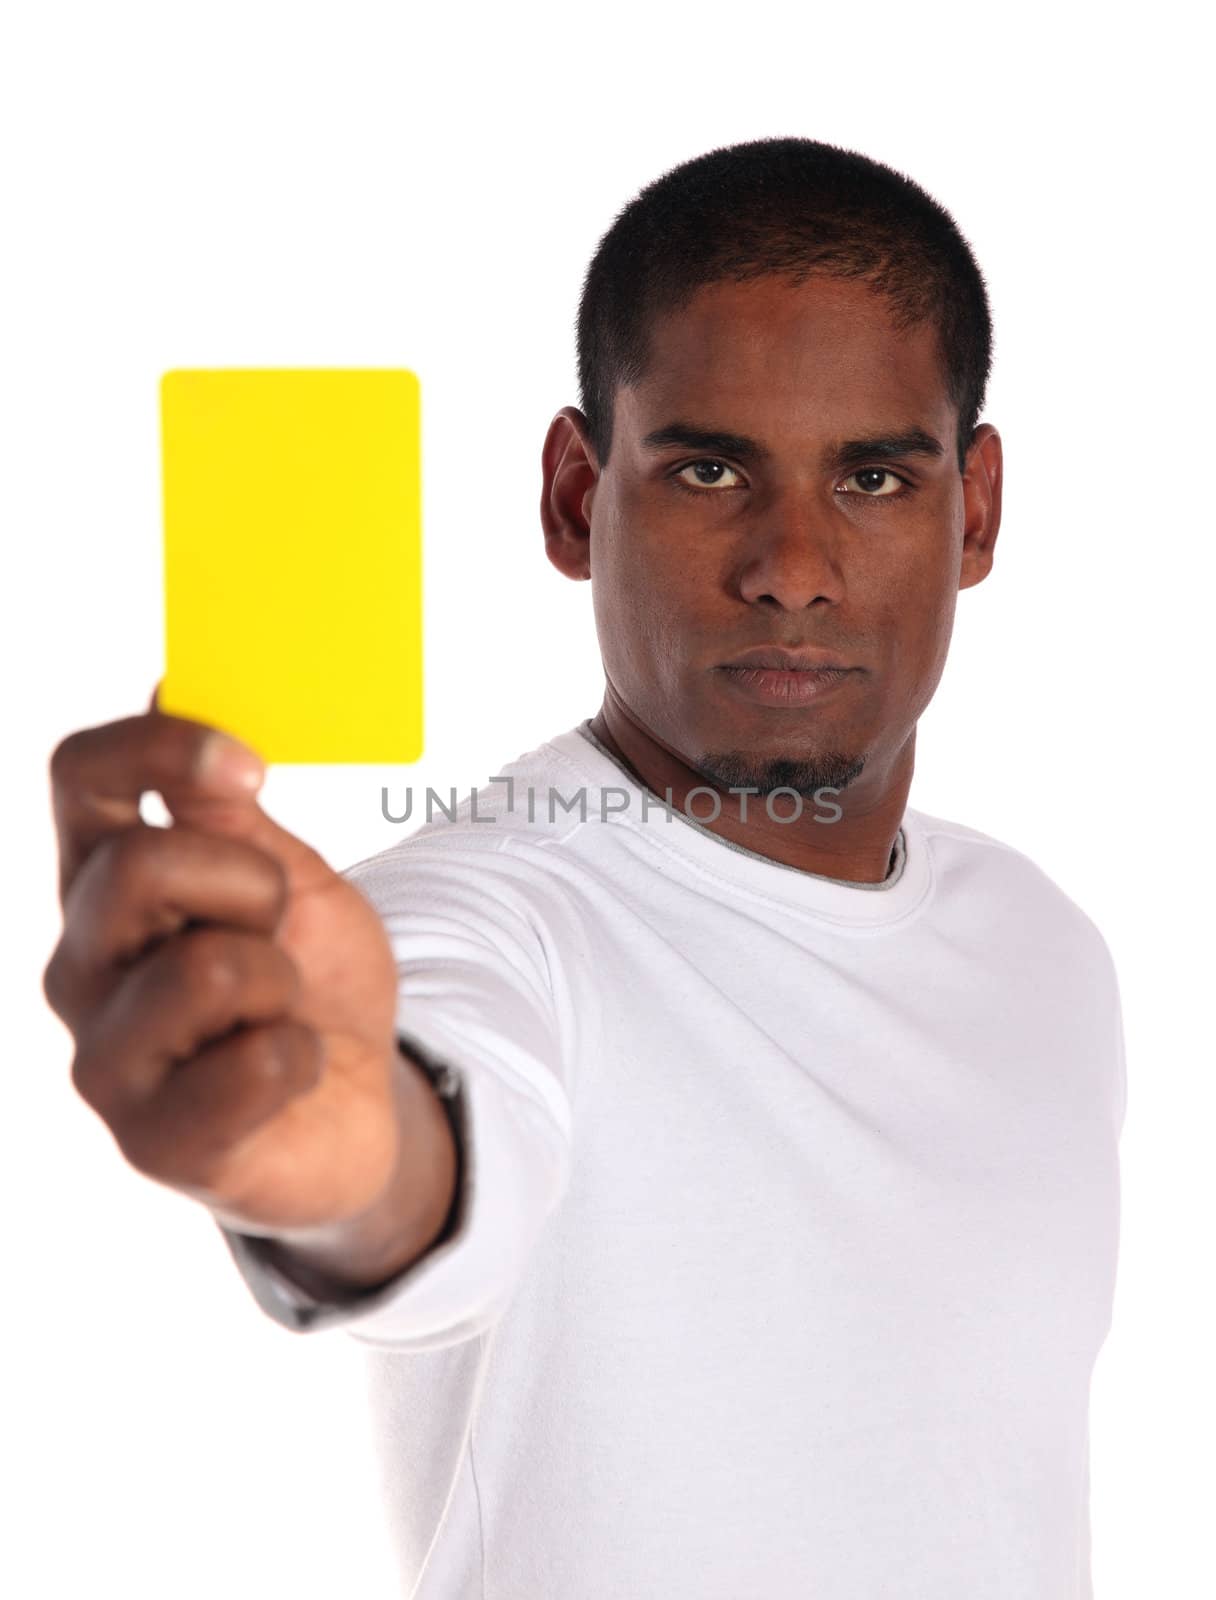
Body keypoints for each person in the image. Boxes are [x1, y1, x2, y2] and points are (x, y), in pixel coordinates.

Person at [42, 136, 1127, 1597]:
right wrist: (332, 1149)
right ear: (575, 498)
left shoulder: (1045, 948)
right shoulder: (485, 907)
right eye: (707, 468)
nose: (792, 565)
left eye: (873, 475)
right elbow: (425, 1114)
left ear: (975, 511)